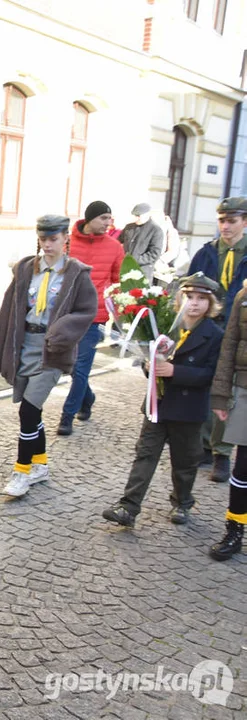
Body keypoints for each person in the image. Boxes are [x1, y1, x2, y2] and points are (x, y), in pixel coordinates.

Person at [0, 215, 98, 497]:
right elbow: (9, 309)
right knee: (33, 410)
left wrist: (63, 329)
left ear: (65, 239)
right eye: (43, 239)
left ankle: (21, 472)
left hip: (53, 350)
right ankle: (40, 464)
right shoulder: (25, 269)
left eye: (53, 239)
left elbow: (87, 310)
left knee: (28, 410)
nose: (47, 245)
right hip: (25, 345)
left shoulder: (76, 273)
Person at [101, 273, 223, 527]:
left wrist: (175, 371)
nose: (194, 303)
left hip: (188, 410)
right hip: (159, 404)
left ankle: (182, 503)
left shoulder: (215, 334)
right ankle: (128, 506)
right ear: (180, 298)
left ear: (211, 304)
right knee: (145, 455)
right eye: (189, 296)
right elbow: (150, 358)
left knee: (184, 462)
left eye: (202, 298)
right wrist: (150, 366)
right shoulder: (167, 325)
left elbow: (211, 375)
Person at [187, 196, 247, 483]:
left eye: (232, 220)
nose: (225, 226)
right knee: (205, 381)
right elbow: (187, 288)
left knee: (230, 391)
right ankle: (204, 445)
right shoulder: (206, 253)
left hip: (239, 330)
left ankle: (222, 453)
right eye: (222, 220)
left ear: (244, 222)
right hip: (208, 327)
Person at [57, 200, 124, 436]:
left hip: (94, 316)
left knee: (81, 366)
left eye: (110, 218)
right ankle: (88, 398)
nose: (108, 223)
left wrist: (118, 312)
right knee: (71, 366)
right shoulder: (67, 242)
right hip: (66, 314)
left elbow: (118, 283)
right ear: (89, 219)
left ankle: (67, 416)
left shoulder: (115, 247)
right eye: (103, 218)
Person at [207, 269, 247, 561]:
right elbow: (229, 345)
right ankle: (234, 529)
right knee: (243, 468)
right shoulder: (244, 296)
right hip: (245, 389)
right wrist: (221, 394)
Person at [119, 202, 164, 284]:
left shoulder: (155, 230)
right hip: (125, 270)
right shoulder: (129, 227)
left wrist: (134, 260)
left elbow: (154, 254)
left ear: (147, 215)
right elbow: (118, 242)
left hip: (143, 271)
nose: (136, 218)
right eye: (135, 216)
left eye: (139, 216)